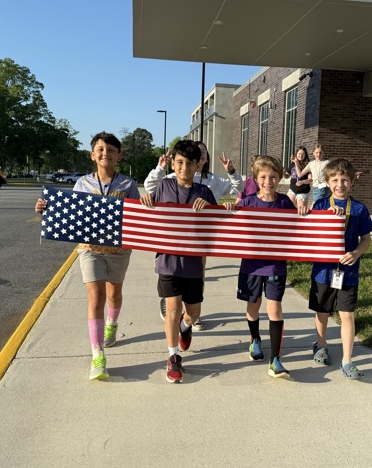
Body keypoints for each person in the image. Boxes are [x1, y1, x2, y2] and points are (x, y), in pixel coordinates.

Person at [34, 132, 140, 381]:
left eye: (111, 150)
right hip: (89, 249)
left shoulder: (127, 184)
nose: (106, 154)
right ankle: (97, 355)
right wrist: (45, 209)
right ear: (93, 155)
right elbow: (69, 213)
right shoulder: (82, 184)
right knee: (96, 296)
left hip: (118, 251)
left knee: (114, 293)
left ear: (119, 156)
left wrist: (146, 202)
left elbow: (138, 215)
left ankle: (111, 326)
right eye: (101, 149)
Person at [139, 140, 217, 383]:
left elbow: (220, 225)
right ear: (173, 163)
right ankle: (173, 357)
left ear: (198, 166)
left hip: (193, 265)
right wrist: (145, 201)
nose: (184, 168)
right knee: (172, 309)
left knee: (192, 313)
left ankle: (185, 328)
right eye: (180, 163)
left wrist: (213, 208)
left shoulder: (204, 192)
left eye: (190, 164)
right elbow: (149, 208)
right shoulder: (163, 186)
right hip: (168, 262)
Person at [223, 156, 307, 379]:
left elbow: (298, 227)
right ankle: (255, 340)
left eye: (273, 177)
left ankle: (275, 359)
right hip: (251, 266)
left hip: (275, 266)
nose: (268, 181)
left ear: (280, 178)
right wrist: (231, 208)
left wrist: (302, 209)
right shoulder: (248, 202)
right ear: (256, 179)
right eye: (263, 177)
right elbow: (228, 223)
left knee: (274, 309)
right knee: (253, 306)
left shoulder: (284, 203)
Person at [146, 141, 243, 330]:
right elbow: (152, 187)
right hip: (174, 241)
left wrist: (231, 174)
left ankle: (192, 313)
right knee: (175, 285)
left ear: (201, 161)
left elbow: (233, 194)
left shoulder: (214, 181)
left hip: (199, 238)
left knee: (199, 274)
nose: (202, 156)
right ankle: (171, 303)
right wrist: (160, 168)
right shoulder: (176, 176)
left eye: (204, 154)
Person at [308, 158, 372, 379]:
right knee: (323, 311)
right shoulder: (319, 206)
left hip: (348, 272)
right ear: (327, 182)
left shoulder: (358, 209)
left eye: (344, 180)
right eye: (335, 180)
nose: (340, 184)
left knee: (347, 314)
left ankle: (347, 360)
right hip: (322, 271)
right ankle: (321, 344)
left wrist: (356, 253)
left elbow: (366, 238)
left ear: (352, 181)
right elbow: (309, 236)